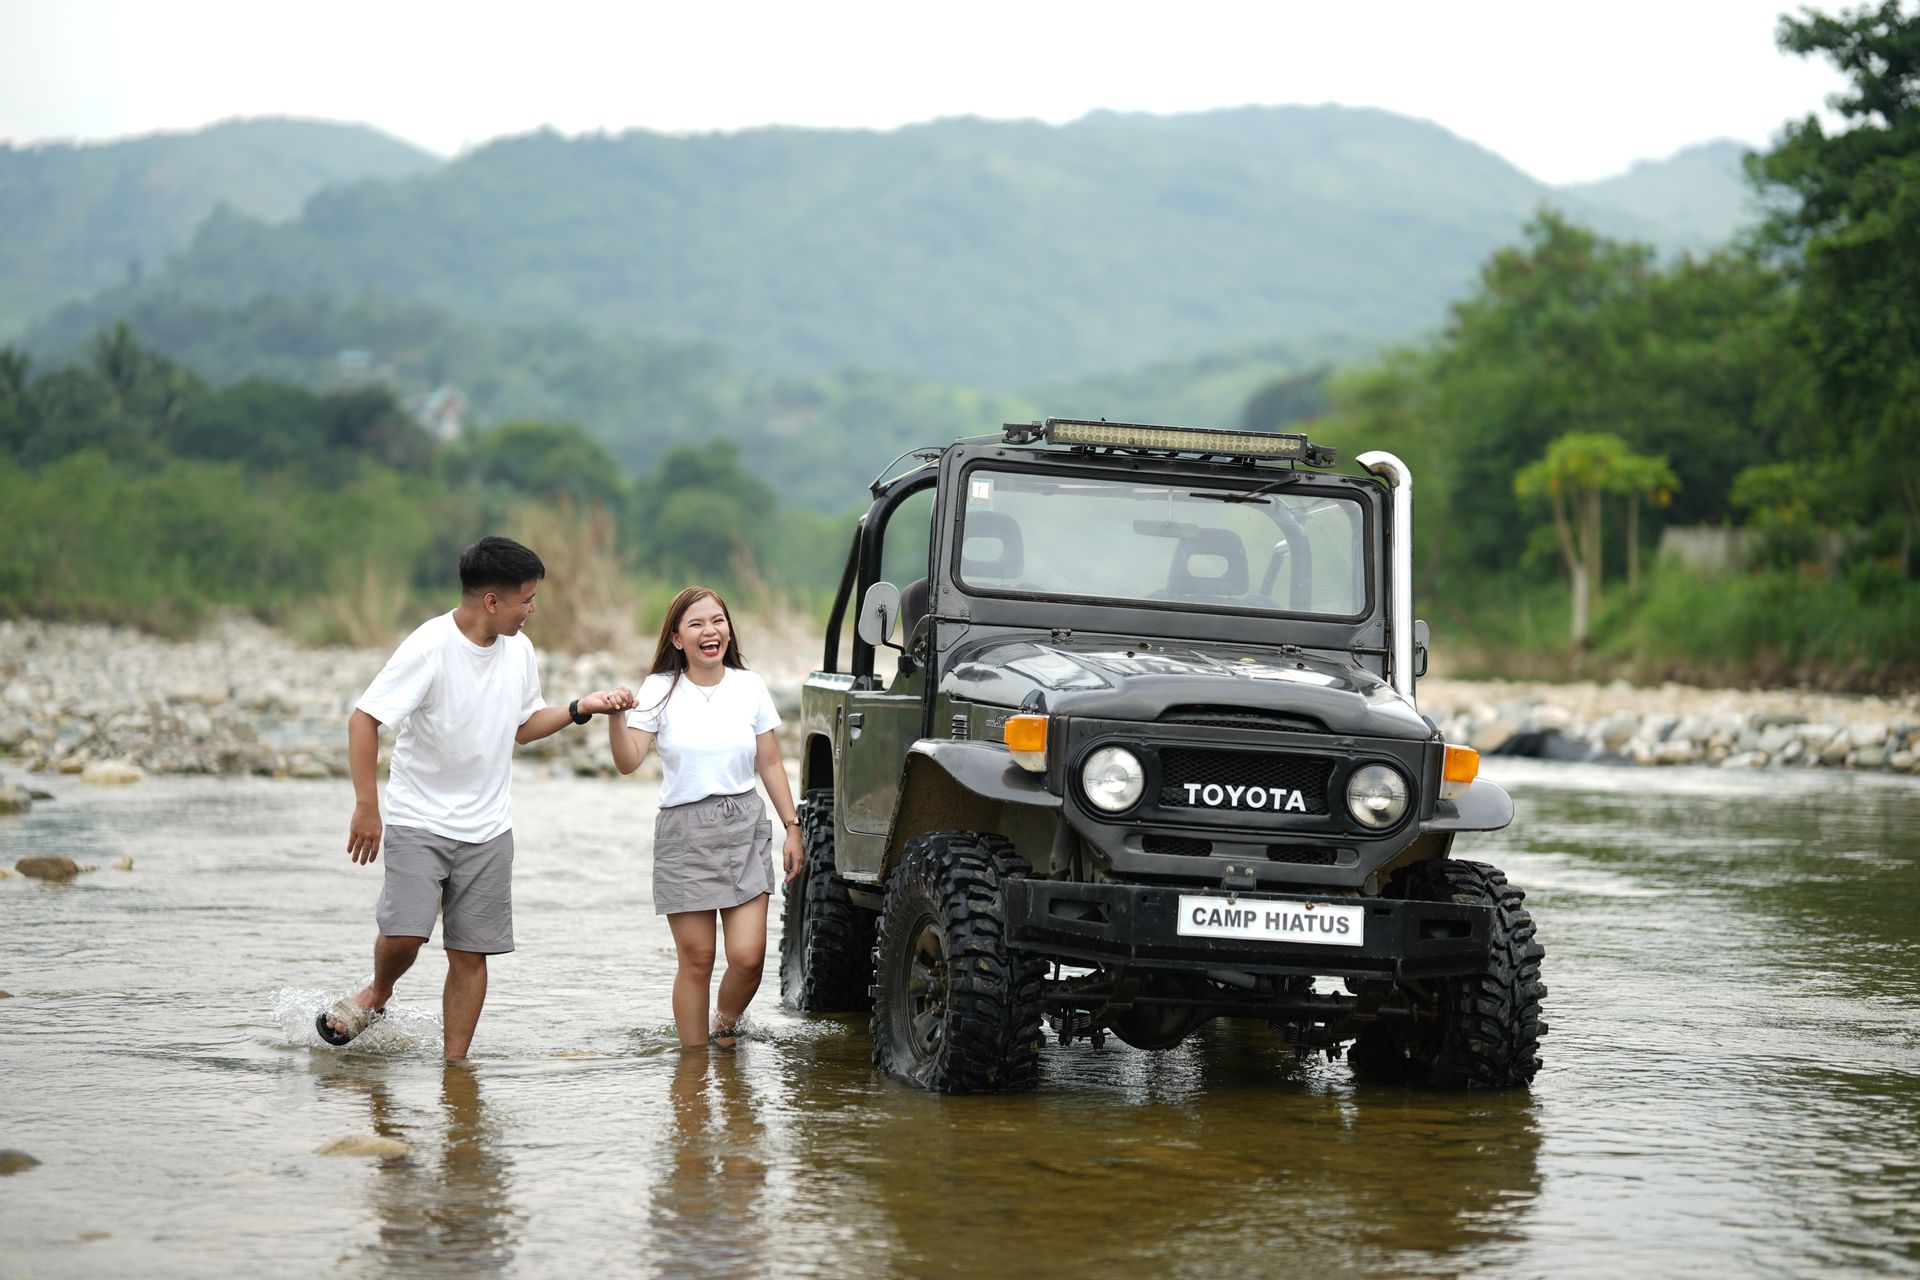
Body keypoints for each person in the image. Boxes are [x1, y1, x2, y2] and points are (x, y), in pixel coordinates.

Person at [317, 535, 633, 1061]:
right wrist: (367, 806)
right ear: (491, 601)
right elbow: (363, 719)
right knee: (405, 935)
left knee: (470, 954)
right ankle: (378, 992)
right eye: (526, 600)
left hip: (488, 829)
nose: (532, 610)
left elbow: (524, 726)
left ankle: (455, 1067)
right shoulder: (429, 646)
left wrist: (581, 708)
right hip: (419, 818)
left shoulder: (520, 650)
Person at [607, 585, 803, 1050]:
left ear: (728, 629)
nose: (709, 631)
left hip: (744, 824)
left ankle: (725, 1024)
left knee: (748, 957)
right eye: (695, 624)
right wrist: (615, 717)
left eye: (717, 620)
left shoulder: (749, 686)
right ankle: (692, 1066)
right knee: (697, 960)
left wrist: (792, 827)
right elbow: (628, 761)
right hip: (684, 832)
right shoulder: (659, 688)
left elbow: (770, 761)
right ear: (677, 639)